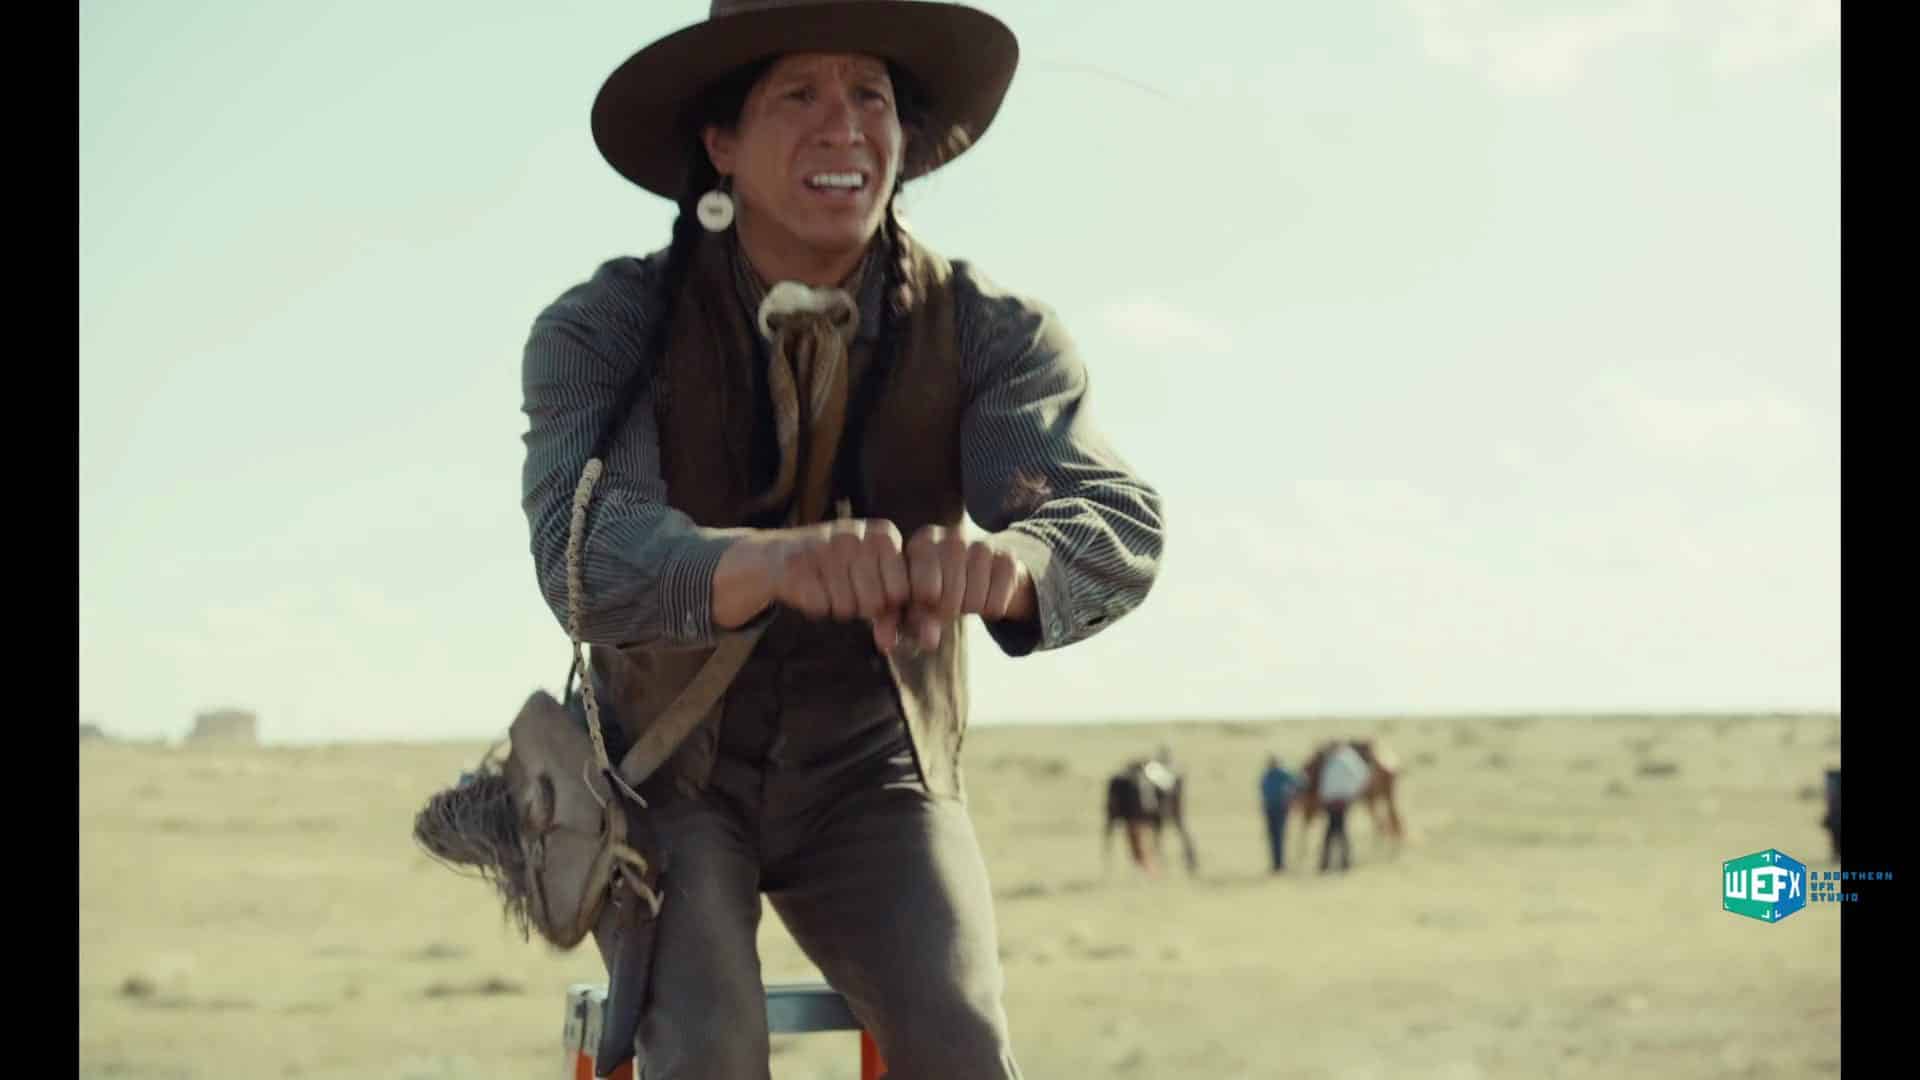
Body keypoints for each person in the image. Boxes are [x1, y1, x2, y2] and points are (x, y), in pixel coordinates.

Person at [518, 2, 1164, 1076]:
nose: (845, 126)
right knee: (709, 1051)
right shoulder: (610, 329)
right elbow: (586, 557)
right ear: (720, 142)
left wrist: (1012, 572)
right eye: (799, 94)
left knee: (961, 1043)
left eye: (869, 94)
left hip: (878, 774)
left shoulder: (990, 333)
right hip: (671, 776)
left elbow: (1109, 521)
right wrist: (767, 564)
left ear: (903, 138)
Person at [1316, 741, 1371, 874]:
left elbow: (1362, 776)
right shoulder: (1332, 760)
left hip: (1341, 801)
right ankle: (1328, 863)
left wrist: (1350, 794)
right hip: (1331, 801)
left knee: (1339, 831)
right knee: (1332, 832)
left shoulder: (1348, 760)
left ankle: (1343, 862)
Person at [1259, 754, 1299, 872]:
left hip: (1280, 808)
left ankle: (1280, 864)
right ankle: (1276, 864)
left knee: (1279, 836)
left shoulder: (1282, 773)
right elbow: (1263, 790)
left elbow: (1298, 783)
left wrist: (1291, 797)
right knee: (1272, 837)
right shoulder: (1267, 775)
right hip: (1270, 808)